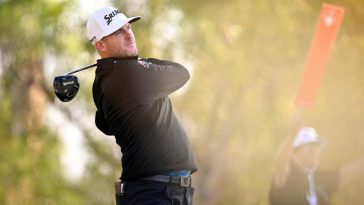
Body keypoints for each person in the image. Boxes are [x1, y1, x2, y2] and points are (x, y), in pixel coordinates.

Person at [86, 6, 197, 205]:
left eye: (128, 27)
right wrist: (139, 63)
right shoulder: (127, 74)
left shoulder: (103, 80)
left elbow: (104, 124)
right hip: (155, 192)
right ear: (101, 44)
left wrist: (134, 63)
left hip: (154, 191)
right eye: (118, 32)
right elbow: (181, 73)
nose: (129, 34)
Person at [269, 112, 364, 205]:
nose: (316, 152)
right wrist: (292, 134)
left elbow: (346, 174)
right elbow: (280, 163)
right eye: (310, 148)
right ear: (294, 154)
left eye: (317, 148)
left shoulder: (320, 178)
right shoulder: (287, 177)